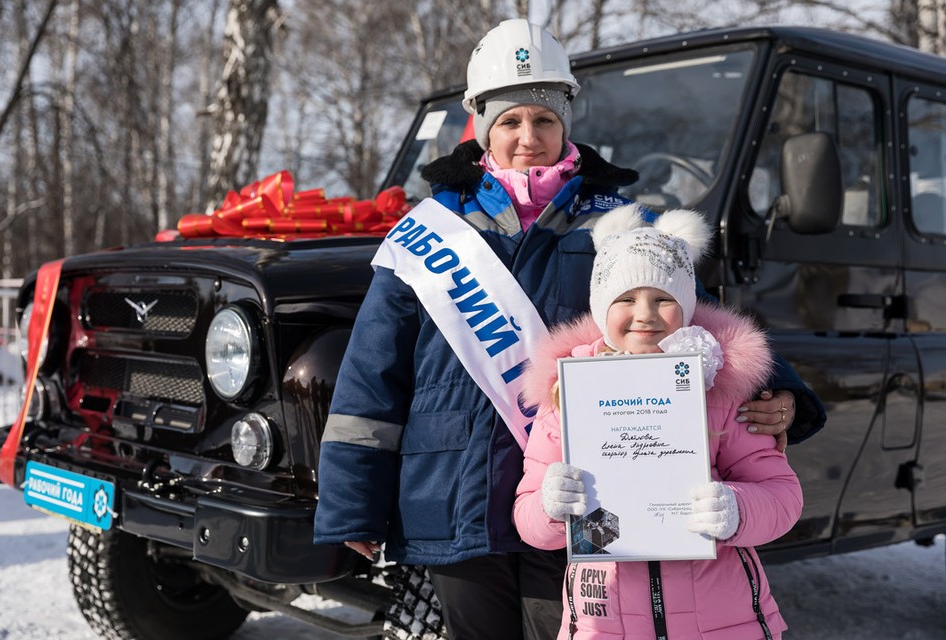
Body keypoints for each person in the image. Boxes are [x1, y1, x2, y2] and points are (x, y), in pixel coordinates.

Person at [314, 18, 818, 640]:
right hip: (451, 492)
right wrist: (353, 503)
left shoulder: (619, 221)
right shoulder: (425, 235)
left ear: (566, 121)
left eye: (544, 120)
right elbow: (370, 376)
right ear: (481, 126)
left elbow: (694, 310)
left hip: (586, 494)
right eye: (510, 121)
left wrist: (784, 392)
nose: (529, 137)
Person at [513, 203, 803, 639]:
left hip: (721, 622)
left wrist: (737, 509)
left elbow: (782, 495)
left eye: (663, 299)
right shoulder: (567, 393)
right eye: (626, 299)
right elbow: (529, 517)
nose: (644, 314)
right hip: (605, 622)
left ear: (686, 307)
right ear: (599, 307)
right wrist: (553, 508)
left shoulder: (719, 387)